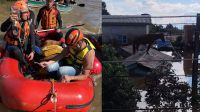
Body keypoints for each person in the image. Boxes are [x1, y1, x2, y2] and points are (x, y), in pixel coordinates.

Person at [3, 1, 35, 72]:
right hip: (11, 46)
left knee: (38, 51)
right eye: (25, 12)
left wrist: (32, 51)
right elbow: (2, 29)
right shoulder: (12, 20)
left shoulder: (29, 23)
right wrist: (9, 21)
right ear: (19, 13)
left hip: (22, 46)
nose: (28, 14)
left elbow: (32, 37)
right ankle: (27, 66)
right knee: (16, 51)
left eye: (27, 12)